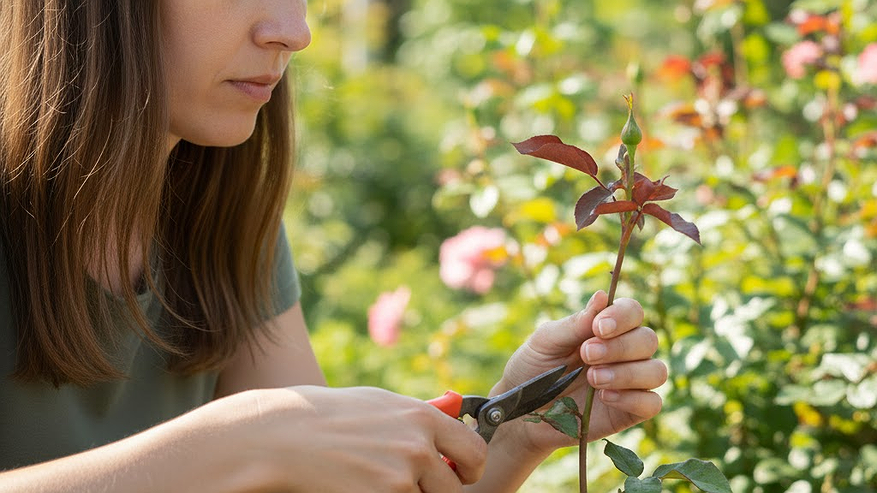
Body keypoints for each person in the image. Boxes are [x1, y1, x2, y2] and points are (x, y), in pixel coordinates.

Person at [0, 1, 668, 491]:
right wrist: (240, 444)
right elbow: (266, 446)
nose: (294, 30)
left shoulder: (220, 224)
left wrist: (513, 428)